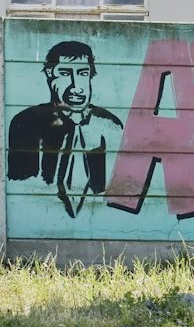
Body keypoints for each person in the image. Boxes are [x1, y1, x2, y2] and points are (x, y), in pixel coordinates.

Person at [7, 40, 125, 217]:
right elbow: (20, 185)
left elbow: (120, 189)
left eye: (83, 73)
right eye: (65, 73)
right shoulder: (26, 123)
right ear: (50, 74)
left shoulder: (110, 125)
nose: (76, 86)